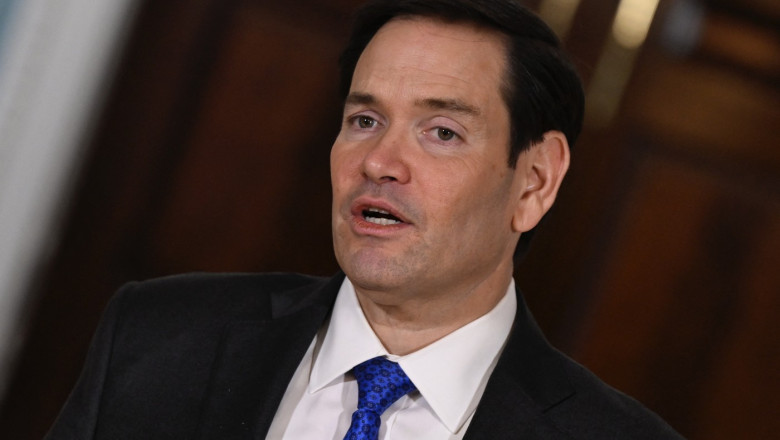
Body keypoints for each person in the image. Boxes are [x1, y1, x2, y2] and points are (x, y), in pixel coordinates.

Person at [47, 0, 684, 439]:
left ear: (535, 180)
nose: (379, 161)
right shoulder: (157, 336)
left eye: (441, 132)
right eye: (364, 120)